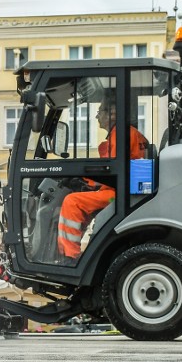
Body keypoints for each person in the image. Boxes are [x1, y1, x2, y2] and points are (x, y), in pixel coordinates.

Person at [57, 96, 148, 261]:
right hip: (123, 189)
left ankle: (69, 256)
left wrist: (87, 181)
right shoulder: (126, 133)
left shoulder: (120, 134)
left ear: (112, 114)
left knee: (72, 202)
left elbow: (112, 170)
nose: (97, 116)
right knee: (81, 201)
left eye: (100, 112)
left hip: (118, 193)